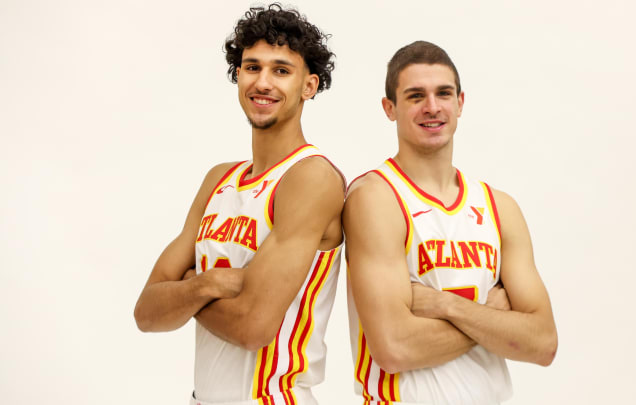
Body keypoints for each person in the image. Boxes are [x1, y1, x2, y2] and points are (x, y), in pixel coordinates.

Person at [133, 4, 345, 405]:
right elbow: (146, 312)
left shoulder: (310, 178)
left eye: (281, 70)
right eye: (252, 67)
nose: (263, 82)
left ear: (309, 86)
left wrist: (184, 293)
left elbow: (253, 327)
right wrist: (208, 284)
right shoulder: (219, 179)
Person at [343, 41, 558, 405]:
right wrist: (494, 319)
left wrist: (449, 307)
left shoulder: (499, 207)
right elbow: (395, 347)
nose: (432, 107)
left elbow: (543, 343)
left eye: (443, 93)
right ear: (389, 108)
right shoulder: (375, 198)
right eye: (415, 96)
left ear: (460, 103)